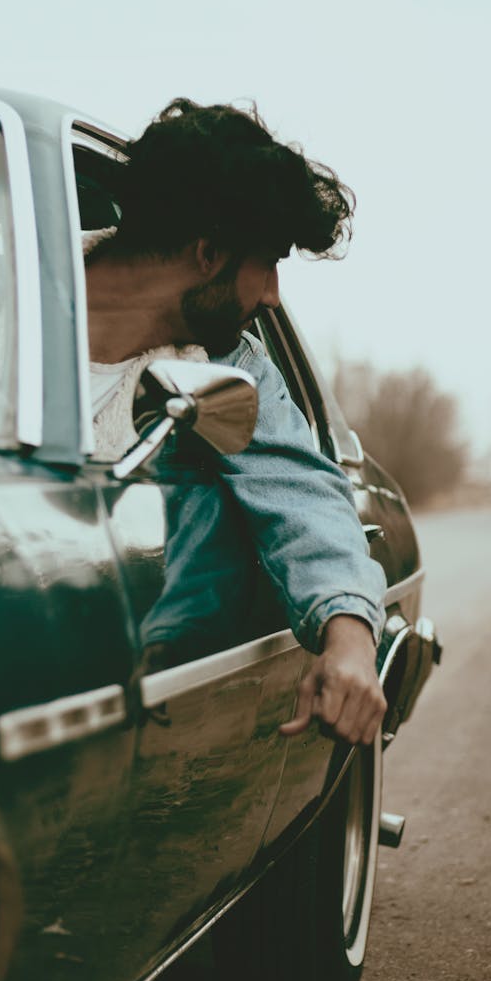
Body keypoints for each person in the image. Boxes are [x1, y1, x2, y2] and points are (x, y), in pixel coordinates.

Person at [84, 98, 388, 747]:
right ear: (207, 252)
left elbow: (301, 493)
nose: (274, 294)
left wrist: (351, 637)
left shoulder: (232, 364)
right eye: (270, 260)